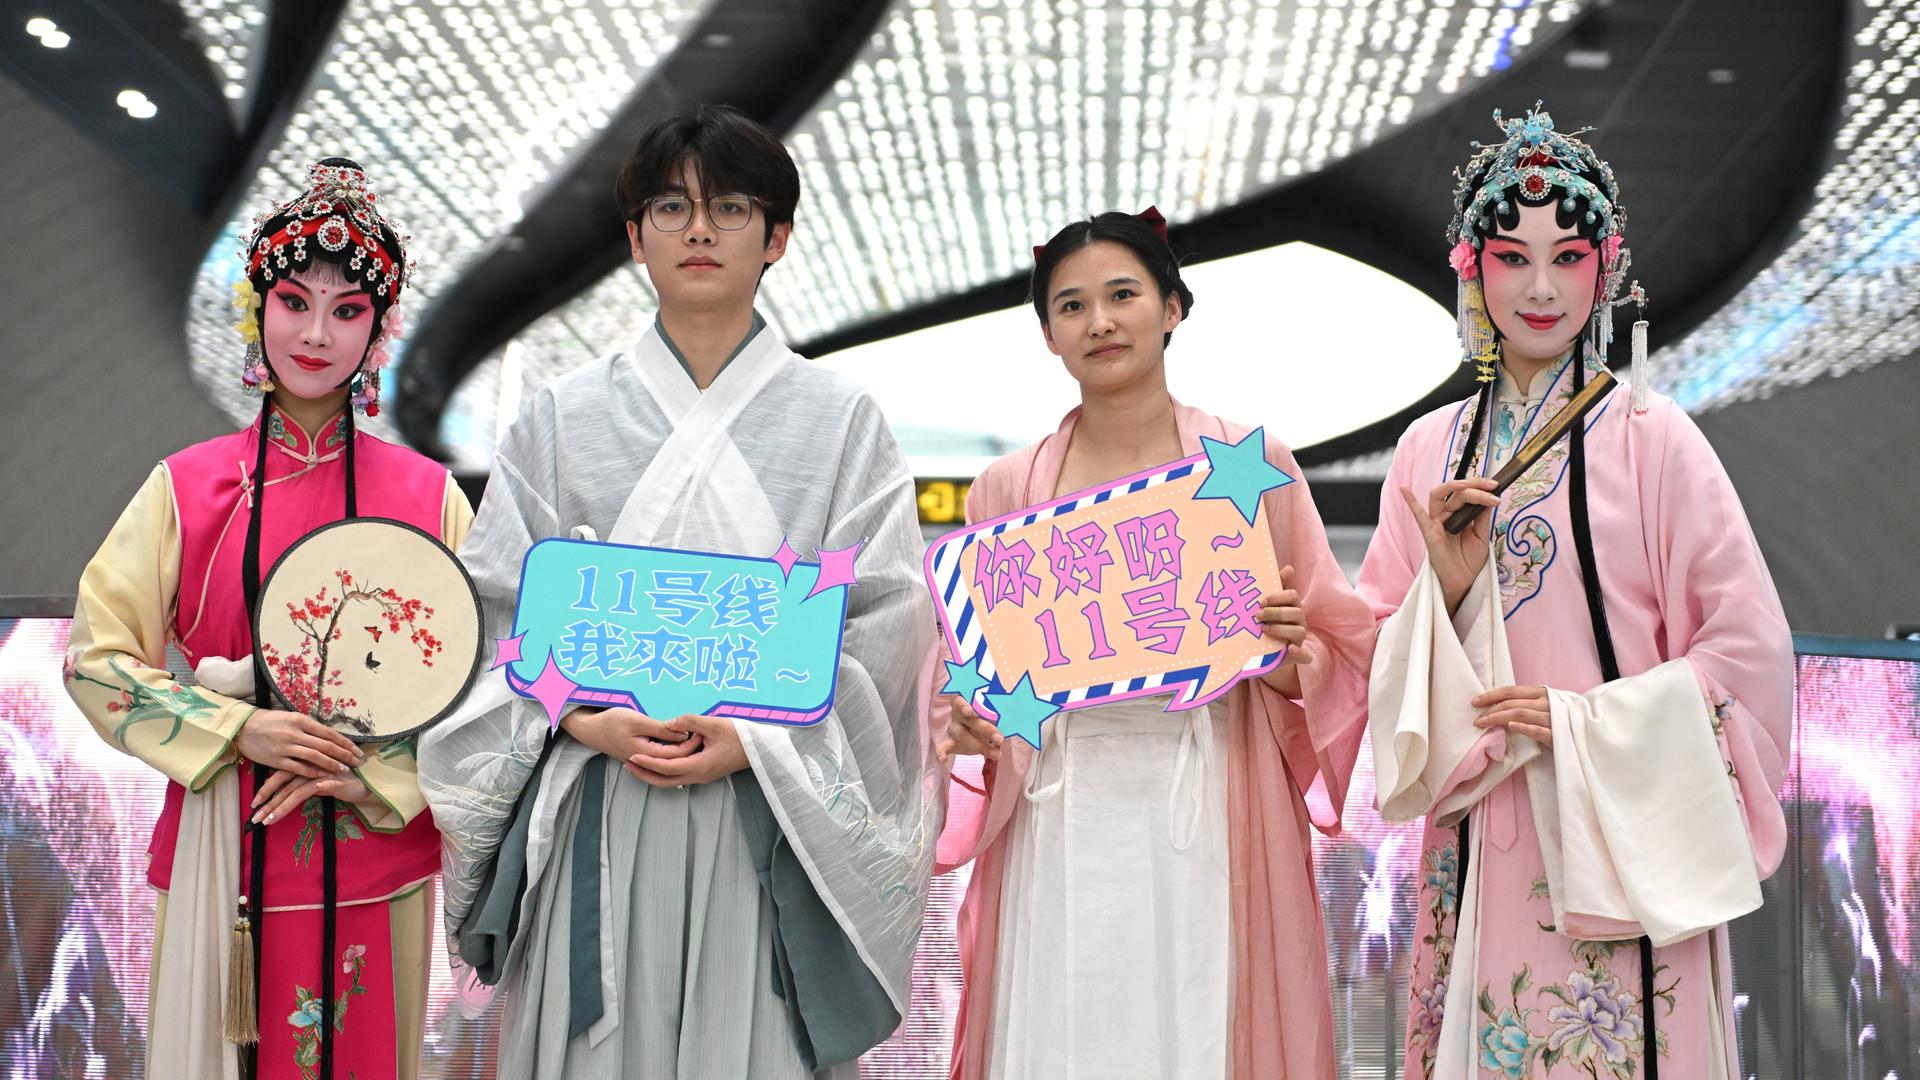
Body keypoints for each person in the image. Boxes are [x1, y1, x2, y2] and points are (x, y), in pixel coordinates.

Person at [415, 104, 937, 1079]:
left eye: (731, 207)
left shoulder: (842, 424)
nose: (700, 231)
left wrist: (756, 735)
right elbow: (495, 615)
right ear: (634, 237)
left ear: (777, 236)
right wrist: (586, 719)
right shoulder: (558, 419)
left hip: (771, 803)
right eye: (671, 207)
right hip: (603, 795)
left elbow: (888, 623)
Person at [1358, 105, 1793, 1080]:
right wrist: (1447, 593)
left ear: (1610, 266)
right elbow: (1377, 659)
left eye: (1570, 255)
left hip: (1620, 829)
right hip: (1479, 843)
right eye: (1512, 256)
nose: (1543, 287)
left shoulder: (1655, 439)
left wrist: (1586, 725)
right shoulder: (1430, 452)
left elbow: (1747, 652)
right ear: (1471, 267)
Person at [937, 208, 1378, 1079]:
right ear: (1049, 335)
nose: (1099, 321)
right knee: (1058, 1028)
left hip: (1208, 795)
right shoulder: (1004, 490)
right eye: (1070, 306)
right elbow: (964, 681)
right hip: (1058, 808)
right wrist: (965, 722)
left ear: (1173, 307)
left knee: (1202, 1021)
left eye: (1122, 294)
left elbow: (1341, 646)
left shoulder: (1252, 467)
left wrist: (1292, 652)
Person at [63, 158, 468, 1079]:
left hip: (377, 851)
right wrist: (239, 728)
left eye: (348, 310)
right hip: (223, 839)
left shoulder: (431, 496)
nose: (316, 333)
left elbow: (484, 690)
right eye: (293, 300)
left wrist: (376, 776)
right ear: (258, 310)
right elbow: (96, 660)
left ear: (380, 329)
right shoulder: (187, 485)